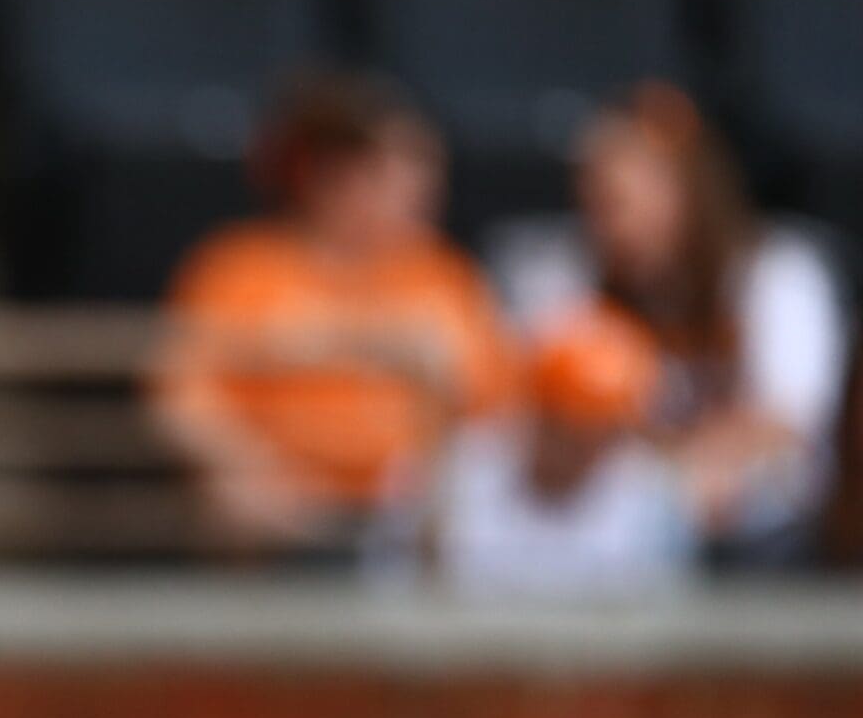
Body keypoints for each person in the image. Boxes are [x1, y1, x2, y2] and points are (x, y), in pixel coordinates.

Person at [154, 72, 516, 556]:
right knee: (230, 507)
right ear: (325, 175)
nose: (418, 189)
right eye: (389, 170)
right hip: (281, 511)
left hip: (409, 512)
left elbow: (495, 412)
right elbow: (181, 400)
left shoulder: (444, 278)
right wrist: (250, 467)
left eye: (424, 169)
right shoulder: (242, 267)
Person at [489, 83, 851, 565]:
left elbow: (786, 421)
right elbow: (535, 416)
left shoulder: (777, 271)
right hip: (609, 532)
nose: (604, 219)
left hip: (766, 538)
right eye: (593, 196)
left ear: (684, 189)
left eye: (619, 198)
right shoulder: (563, 272)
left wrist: (677, 473)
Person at [395, 303, 697, 597]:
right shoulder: (465, 472)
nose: (586, 445)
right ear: (538, 412)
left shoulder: (648, 498)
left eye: (605, 430)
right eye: (571, 425)